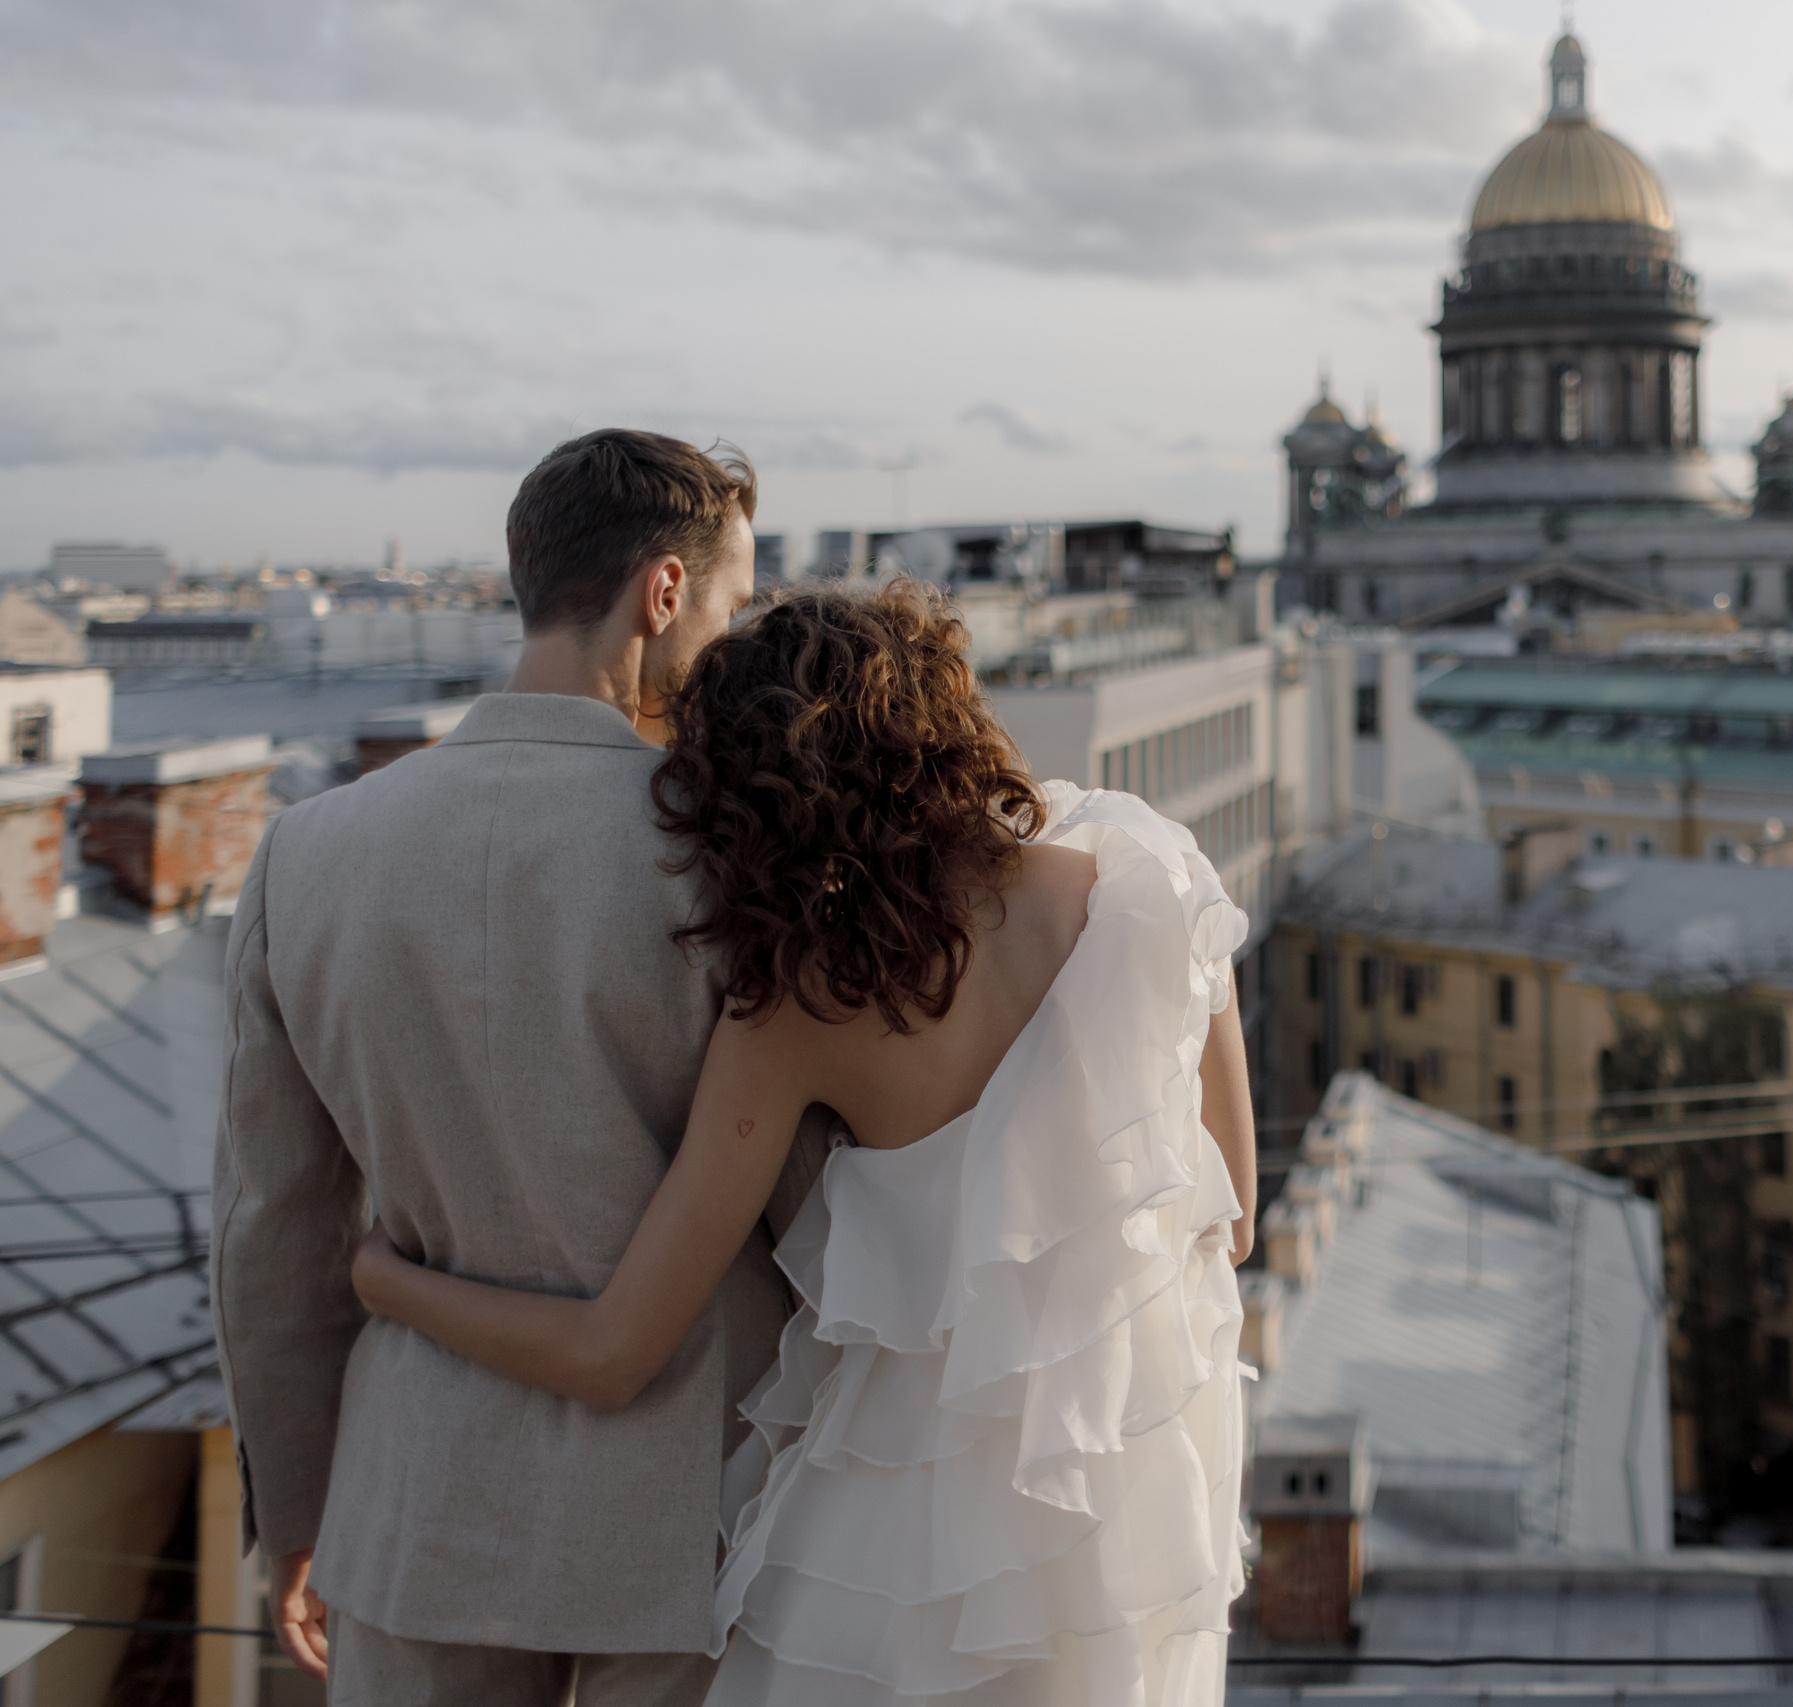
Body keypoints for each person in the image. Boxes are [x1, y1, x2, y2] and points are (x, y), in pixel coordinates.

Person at [347, 579, 1256, 1706]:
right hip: (1121, 1515)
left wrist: (387, 1280)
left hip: (891, 1546)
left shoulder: (799, 1010)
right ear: (945, 713)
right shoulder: (1154, 884)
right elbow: (1231, 1217)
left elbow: (612, 1350)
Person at [213, 430, 836, 1703]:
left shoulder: (305, 855)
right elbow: (816, 1212)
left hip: (415, 1507)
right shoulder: (731, 853)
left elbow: (272, 1231)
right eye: (729, 610)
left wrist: (300, 1509)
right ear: (665, 591)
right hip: (701, 1506)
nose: (729, 647)